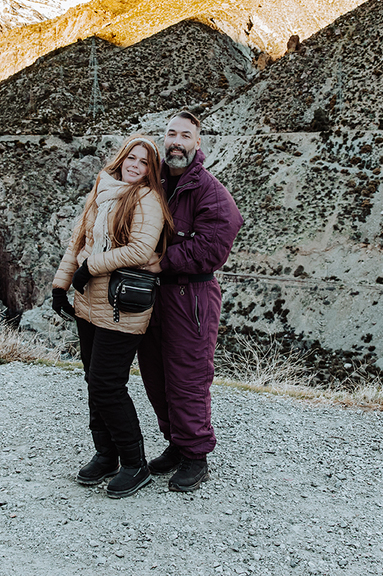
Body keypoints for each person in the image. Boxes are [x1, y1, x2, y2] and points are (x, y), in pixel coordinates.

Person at [52, 134, 173, 499]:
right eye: (131, 158)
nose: (135, 165)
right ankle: (106, 455)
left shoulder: (147, 200)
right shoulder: (103, 189)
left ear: (151, 171)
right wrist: (62, 284)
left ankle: (135, 464)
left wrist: (92, 267)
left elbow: (141, 248)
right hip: (89, 303)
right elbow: (80, 240)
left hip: (122, 307)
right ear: (121, 159)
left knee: (108, 385)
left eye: (144, 162)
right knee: (94, 382)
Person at [137, 111, 244, 492]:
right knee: (155, 374)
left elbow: (216, 244)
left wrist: (164, 261)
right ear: (163, 139)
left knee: (187, 376)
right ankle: (177, 444)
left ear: (197, 143)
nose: (177, 141)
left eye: (185, 135)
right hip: (154, 297)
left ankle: (196, 456)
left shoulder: (209, 190)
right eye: (171, 134)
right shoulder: (156, 183)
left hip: (191, 297)